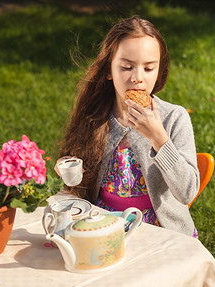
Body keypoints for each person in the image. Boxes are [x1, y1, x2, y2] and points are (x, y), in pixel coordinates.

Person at [55, 16, 200, 237]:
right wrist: (68, 171)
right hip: (104, 226)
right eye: (126, 67)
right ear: (108, 70)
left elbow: (187, 192)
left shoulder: (174, 118)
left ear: (159, 70)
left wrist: (159, 139)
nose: (138, 78)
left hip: (161, 232)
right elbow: (79, 188)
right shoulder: (95, 116)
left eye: (149, 68)